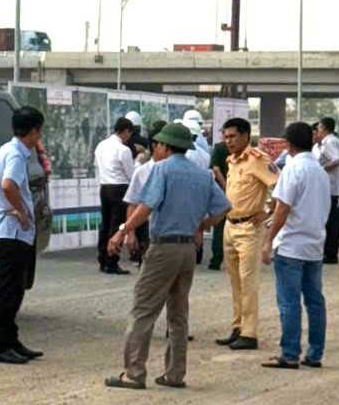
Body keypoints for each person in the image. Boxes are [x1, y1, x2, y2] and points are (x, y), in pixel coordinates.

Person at [104, 123, 231, 389]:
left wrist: (122, 231)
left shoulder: (161, 170)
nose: (155, 148)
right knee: (178, 314)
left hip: (163, 248)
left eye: (158, 144)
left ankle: (134, 373)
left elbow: (146, 207)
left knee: (143, 311)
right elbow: (223, 208)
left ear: (165, 145)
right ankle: (175, 374)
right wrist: (200, 226)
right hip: (188, 250)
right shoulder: (202, 175)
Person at [260, 122, 331, 369]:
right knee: (315, 301)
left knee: (289, 301)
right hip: (314, 243)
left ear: (288, 144)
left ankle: (290, 353)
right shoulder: (320, 172)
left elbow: (282, 208)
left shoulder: (293, 168)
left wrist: (268, 241)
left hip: (291, 244)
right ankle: (315, 353)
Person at [0, 106, 46, 364]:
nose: (39, 137)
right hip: (11, 231)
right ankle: (0, 345)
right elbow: (7, 184)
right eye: (39, 131)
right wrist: (20, 211)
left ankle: (11, 340)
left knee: (14, 288)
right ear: (33, 131)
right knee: (7, 291)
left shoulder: (7, 149)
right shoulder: (16, 155)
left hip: (11, 232)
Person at [216, 117, 278, 351]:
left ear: (245, 136)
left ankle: (249, 333)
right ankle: (238, 327)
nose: (228, 141)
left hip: (249, 229)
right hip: (230, 225)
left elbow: (280, 185)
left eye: (232, 136)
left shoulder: (258, 160)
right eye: (226, 137)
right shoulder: (231, 160)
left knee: (248, 282)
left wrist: (268, 211)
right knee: (235, 281)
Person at [95, 117, 136, 275]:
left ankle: (102, 259)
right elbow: (130, 173)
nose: (129, 137)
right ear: (125, 131)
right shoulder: (123, 150)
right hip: (119, 188)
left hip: (104, 186)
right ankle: (112, 261)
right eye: (129, 133)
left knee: (105, 224)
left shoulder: (101, 145)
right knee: (117, 225)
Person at [125, 120, 167, 266]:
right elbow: (132, 204)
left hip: (172, 237)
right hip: (147, 234)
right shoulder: (141, 172)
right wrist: (130, 233)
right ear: (155, 146)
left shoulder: (177, 171)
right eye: (168, 145)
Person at [313, 117, 339, 265]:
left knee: (331, 222)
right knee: (330, 222)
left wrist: (322, 168)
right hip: (331, 187)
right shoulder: (330, 142)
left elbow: (337, 159)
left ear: (324, 128)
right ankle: (328, 252)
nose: (318, 130)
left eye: (319, 127)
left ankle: (331, 254)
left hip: (332, 188)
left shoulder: (330, 142)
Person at [207, 140, 230, 270]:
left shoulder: (219, 147)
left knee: (219, 226)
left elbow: (216, 169)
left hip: (222, 190)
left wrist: (226, 187)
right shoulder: (243, 149)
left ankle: (216, 260)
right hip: (239, 191)